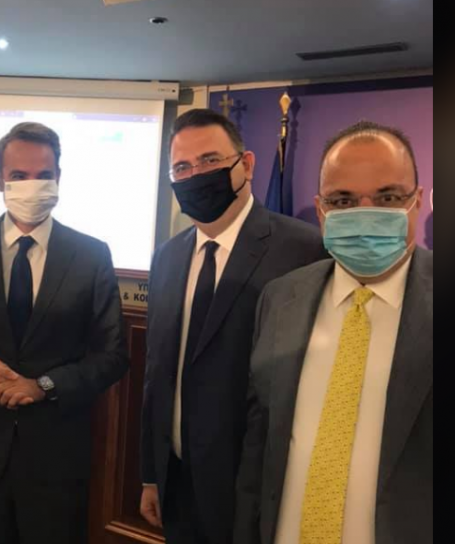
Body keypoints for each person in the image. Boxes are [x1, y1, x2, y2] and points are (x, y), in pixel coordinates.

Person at [0, 122, 129, 544]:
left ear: (58, 178)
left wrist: (43, 385)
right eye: (19, 175)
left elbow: (112, 354)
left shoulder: (91, 254)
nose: (32, 186)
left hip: (57, 456)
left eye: (43, 175)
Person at [234, 121, 433, 544]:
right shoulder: (279, 298)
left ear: (417, 201)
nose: (364, 213)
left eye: (388, 197)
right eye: (343, 200)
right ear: (321, 209)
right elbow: (259, 444)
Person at [140, 109, 327, 544]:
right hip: (177, 481)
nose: (195, 175)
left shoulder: (304, 250)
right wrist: (151, 473)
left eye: (209, 160)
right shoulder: (167, 257)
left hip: (255, 489)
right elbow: (157, 372)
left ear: (247, 164)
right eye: (182, 167)